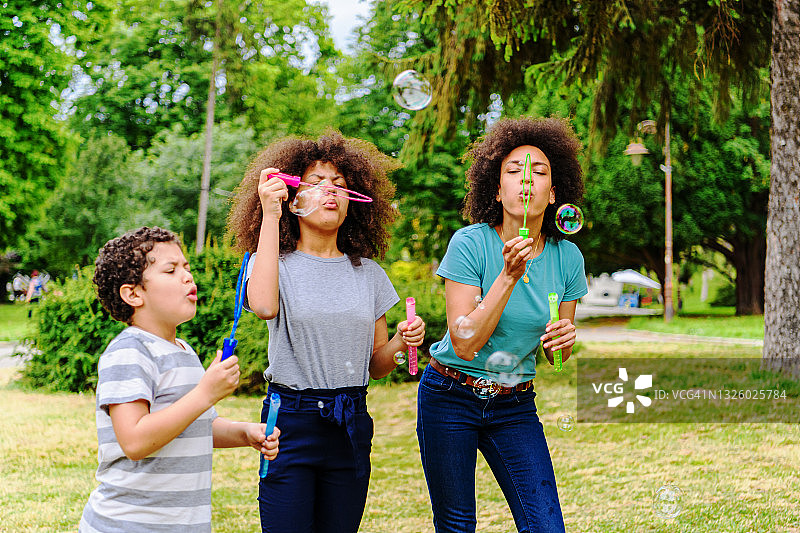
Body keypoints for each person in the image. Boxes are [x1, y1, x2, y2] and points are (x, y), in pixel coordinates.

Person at [227, 130, 426, 533]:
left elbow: (377, 366)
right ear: (293, 198)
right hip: (289, 421)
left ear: (354, 201)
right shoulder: (272, 263)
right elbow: (264, 307)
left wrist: (401, 341)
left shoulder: (369, 273)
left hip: (351, 421)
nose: (330, 190)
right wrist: (270, 214)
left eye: (339, 183)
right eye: (316, 182)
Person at [417, 117, 588, 533]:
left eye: (539, 172)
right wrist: (508, 276)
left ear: (553, 193)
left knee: (546, 527)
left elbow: (558, 353)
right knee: (457, 526)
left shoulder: (568, 257)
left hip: (515, 403)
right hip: (450, 394)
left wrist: (564, 340)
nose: (526, 180)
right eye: (513, 171)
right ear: (496, 190)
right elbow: (464, 342)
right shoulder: (470, 243)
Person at [79, 226, 280, 533]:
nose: (188, 277)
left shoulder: (183, 351)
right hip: (128, 525)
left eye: (186, 267)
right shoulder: (129, 351)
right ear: (133, 294)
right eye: (171, 270)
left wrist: (243, 433)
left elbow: (195, 425)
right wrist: (205, 394)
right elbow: (134, 441)